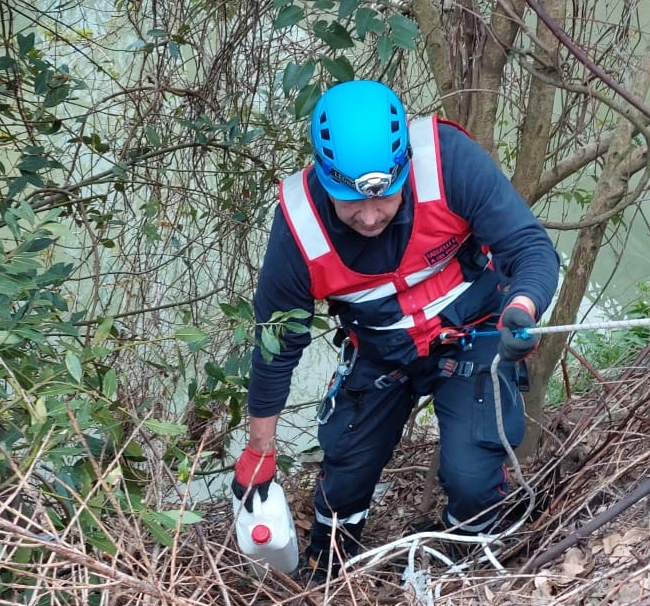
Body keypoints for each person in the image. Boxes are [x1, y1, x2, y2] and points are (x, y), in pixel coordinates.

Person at [231, 80, 560, 580]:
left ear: (404, 166)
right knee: (344, 474)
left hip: (473, 332)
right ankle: (328, 565)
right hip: (383, 351)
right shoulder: (298, 225)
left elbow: (530, 247)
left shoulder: (449, 162)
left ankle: (462, 555)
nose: (369, 216)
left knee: (472, 478)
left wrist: (523, 306)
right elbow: (278, 345)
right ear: (323, 177)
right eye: (350, 202)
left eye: (384, 196)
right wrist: (260, 448)